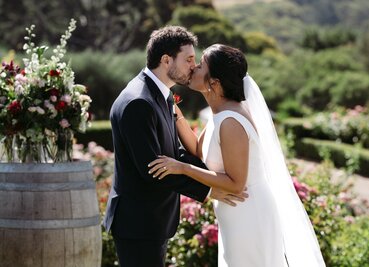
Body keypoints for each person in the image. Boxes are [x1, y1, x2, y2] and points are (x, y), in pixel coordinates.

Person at [149, 44, 326, 266]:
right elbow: (197, 150)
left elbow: (235, 184)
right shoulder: (220, 114)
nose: (193, 67)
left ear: (214, 82)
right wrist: (174, 112)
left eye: (201, 64)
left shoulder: (231, 121)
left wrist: (182, 168)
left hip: (249, 214)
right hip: (236, 215)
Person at [103, 28, 246, 267]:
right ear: (166, 60)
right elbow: (153, 170)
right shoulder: (139, 102)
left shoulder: (161, 94)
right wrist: (208, 191)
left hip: (152, 221)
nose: (193, 66)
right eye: (188, 59)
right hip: (138, 223)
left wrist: (211, 178)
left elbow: (173, 153)